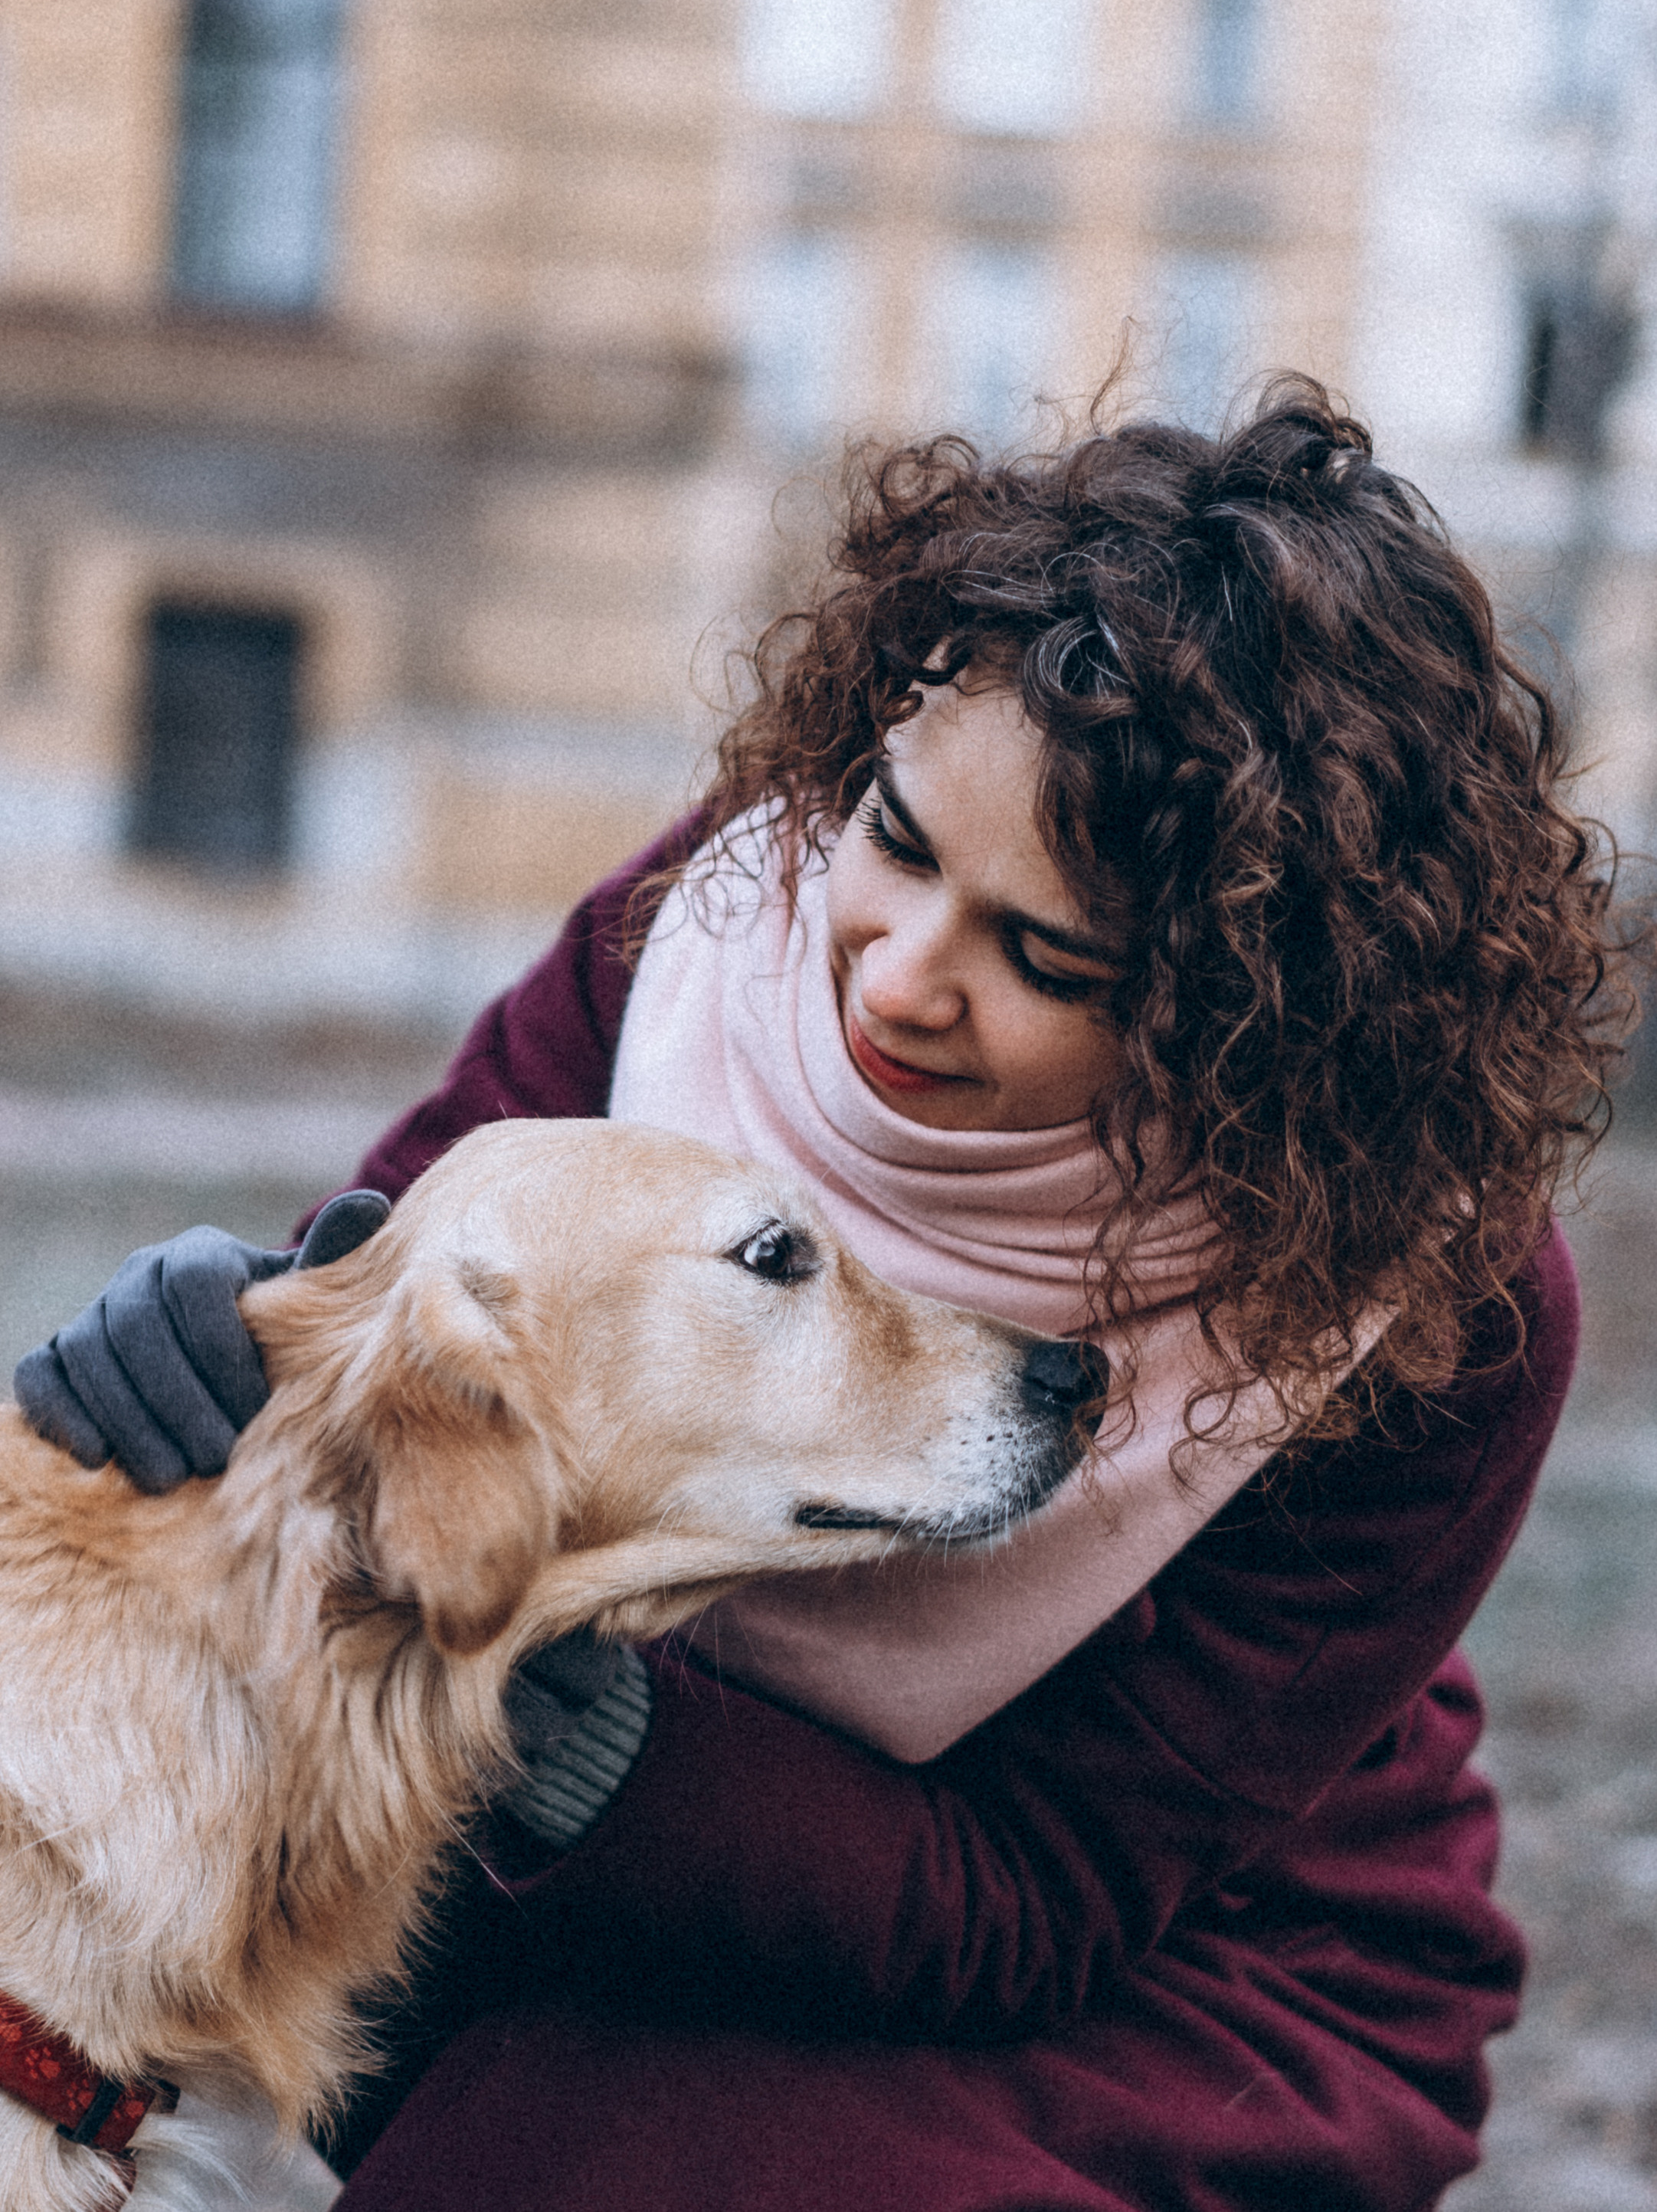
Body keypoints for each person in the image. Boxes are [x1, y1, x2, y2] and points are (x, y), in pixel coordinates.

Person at [15, 379, 1634, 2212]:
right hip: (603, 1844)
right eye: (899, 834)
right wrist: (228, 1324)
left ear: (1241, 1010)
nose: (894, 974)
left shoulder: (1429, 1303)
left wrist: (580, 1734)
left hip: (1168, 1961)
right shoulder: (722, 913)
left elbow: (1036, 1897)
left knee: (552, 2176)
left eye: (1044, 954)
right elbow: (420, 1259)